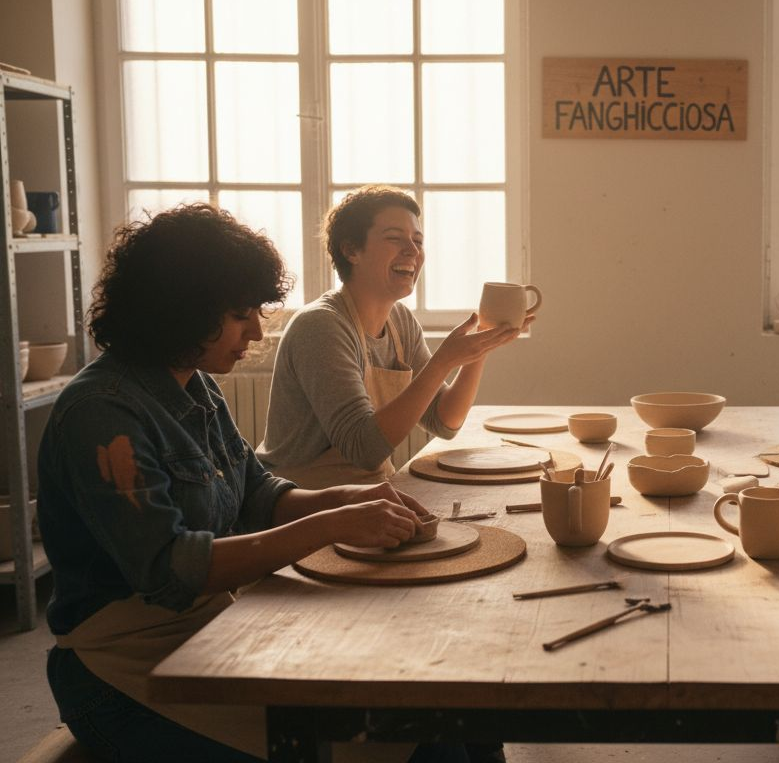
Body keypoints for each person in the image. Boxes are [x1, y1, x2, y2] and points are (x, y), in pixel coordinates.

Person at [39, 204, 465, 762]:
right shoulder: (102, 412)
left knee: (442, 712)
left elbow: (259, 494)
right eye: (242, 316)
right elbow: (169, 572)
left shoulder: (195, 385)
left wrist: (345, 497)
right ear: (179, 310)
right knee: (396, 744)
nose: (258, 332)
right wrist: (331, 525)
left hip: (211, 625)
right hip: (121, 669)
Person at [258, 185, 526, 489]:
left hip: (370, 492)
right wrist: (442, 362)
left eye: (418, 240)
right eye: (395, 238)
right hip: (304, 503)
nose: (412, 250)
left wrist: (481, 344)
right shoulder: (320, 326)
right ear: (351, 250)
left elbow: (444, 421)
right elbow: (364, 449)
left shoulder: (401, 321)